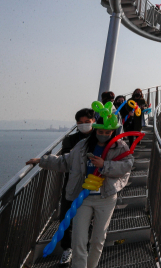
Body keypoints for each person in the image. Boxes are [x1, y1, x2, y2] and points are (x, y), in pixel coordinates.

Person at [27, 117, 133, 268]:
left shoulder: (120, 147)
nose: (104, 134)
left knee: (98, 239)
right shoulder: (83, 146)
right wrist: (41, 161)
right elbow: (65, 161)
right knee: (78, 240)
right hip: (82, 198)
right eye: (100, 131)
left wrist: (105, 165)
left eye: (107, 132)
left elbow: (127, 165)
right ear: (95, 129)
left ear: (113, 131)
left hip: (106, 197)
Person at [26, 109, 95, 266]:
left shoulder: (100, 137)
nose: (83, 125)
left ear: (93, 120)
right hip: (72, 184)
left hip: (93, 187)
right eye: (80, 122)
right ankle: (67, 249)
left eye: (87, 121)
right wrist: (41, 161)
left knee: (88, 218)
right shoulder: (71, 140)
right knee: (66, 217)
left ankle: (85, 248)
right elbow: (65, 161)